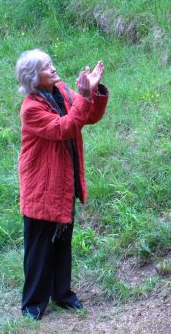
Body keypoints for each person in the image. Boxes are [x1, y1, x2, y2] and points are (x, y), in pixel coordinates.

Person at [15, 49, 109, 320]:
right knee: (39, 247)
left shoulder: (62, 91)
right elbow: (64, 128)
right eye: (47, 67)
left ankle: (62, 294)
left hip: (63, 183)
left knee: (62, 241)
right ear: (34, 79)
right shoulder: (31, 109)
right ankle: (33, 303)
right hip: (42, 188)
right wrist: (82, 97)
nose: (54, 69)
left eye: (51, 63)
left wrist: (91, 92)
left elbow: (87, 117)